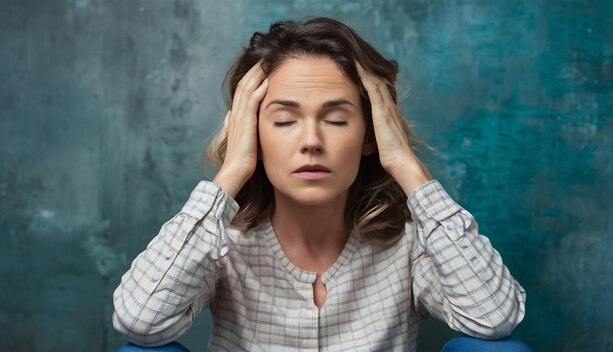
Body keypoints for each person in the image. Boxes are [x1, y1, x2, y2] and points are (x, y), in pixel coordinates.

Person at [112, 16, 530, 351]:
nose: (311, 142)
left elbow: (494, 318)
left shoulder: (411, 246)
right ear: (253, 133)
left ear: (370, 135)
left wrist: (405, 163)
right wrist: (231, 173)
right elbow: (140, 321)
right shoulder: (221, 244)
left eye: (335, 119)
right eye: (284, 120)